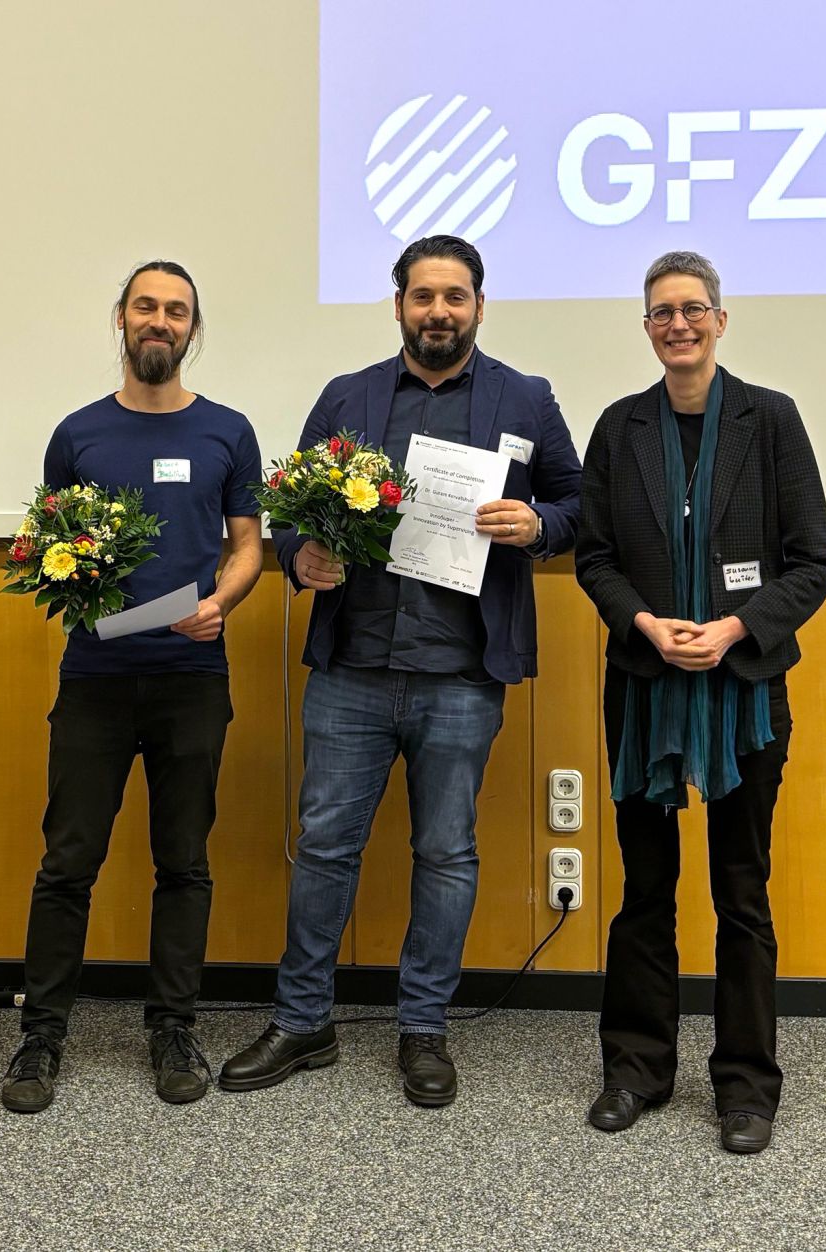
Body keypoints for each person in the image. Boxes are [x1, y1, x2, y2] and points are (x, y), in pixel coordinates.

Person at [219, 235, 581, 1108]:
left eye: (455, 297)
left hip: (462, 672)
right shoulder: (347, 397)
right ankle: (302, 1020)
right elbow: (286, 517)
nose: (439, 312)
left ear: (480, 306)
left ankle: (424, 1028)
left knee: (446, 852)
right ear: (398, 306)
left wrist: (538, 526)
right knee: (324, 848)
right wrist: (300, 556)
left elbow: (579, 504)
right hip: (354, 665)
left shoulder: (526, 398)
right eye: (424, 296)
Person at [572, 250, 826, 1154]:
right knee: (645, 889)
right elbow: (595, 557)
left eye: (692, 309)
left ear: (721, 320)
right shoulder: (619, 428)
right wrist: (644, 623)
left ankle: (746, 1087)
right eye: (661, 313)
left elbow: (813, 563)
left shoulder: (772, 420)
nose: (677, 325)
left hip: (744, 692)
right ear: (647, 328)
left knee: (741, 892)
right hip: (645, 690)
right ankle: (635, 1070)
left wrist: (734, 628)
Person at [0, 261, 263, 1113]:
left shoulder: (228, 431)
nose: (160, 320)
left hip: (192, 678)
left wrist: (220, 603)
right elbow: (50, 546)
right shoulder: (77, 435)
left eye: (176, 311)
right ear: (121, 317)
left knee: (183, 863)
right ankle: (41, 1034)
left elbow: (247, 545)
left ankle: (173, 1028)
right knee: (67, 863)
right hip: (96, 679)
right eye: (146, 306)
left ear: (193, 329)